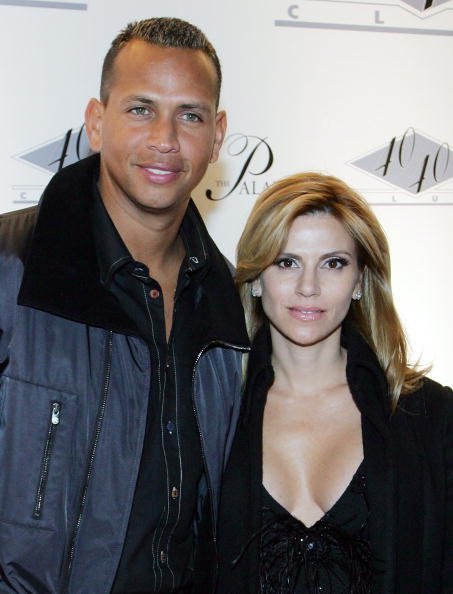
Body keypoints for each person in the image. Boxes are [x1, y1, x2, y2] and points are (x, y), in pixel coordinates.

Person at [0, 17, 248, 594]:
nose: (165, 138)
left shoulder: (232, 305)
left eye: (190, 115)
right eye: (141, 109)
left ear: (217, 135)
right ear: (95, 121)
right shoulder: (16, 267)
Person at [213, 173, 453, 593]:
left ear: (360, 280)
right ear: (253, 278)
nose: (308, 287)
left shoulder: (432, 417)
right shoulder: (212, 413)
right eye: (286, 262)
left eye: (334, 263)